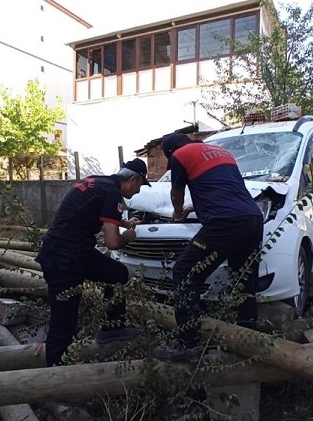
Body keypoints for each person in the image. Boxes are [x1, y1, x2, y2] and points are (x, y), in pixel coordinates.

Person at [156, 133, 264, 359]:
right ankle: (247, 334)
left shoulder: (179, 155)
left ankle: (188, 343)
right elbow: (224, 191)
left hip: (225, 222)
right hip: (252, 217)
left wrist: (178, 212)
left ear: (170, 151)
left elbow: (176, 193)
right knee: (243, 277)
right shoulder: (223, 153)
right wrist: (193, 208)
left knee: (184, 272)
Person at [36, 158, 150, 366]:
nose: (138, 192)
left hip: (74, 252)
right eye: (140, 185)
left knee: (117, 273)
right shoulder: (112, 193)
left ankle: (112, 327)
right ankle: (55, 379)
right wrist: (129, 236)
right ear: (133, 179)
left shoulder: (97, 181)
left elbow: (97, 211)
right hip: (63, 260)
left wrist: (124, 222)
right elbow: (113, 242)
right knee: (64, 324)